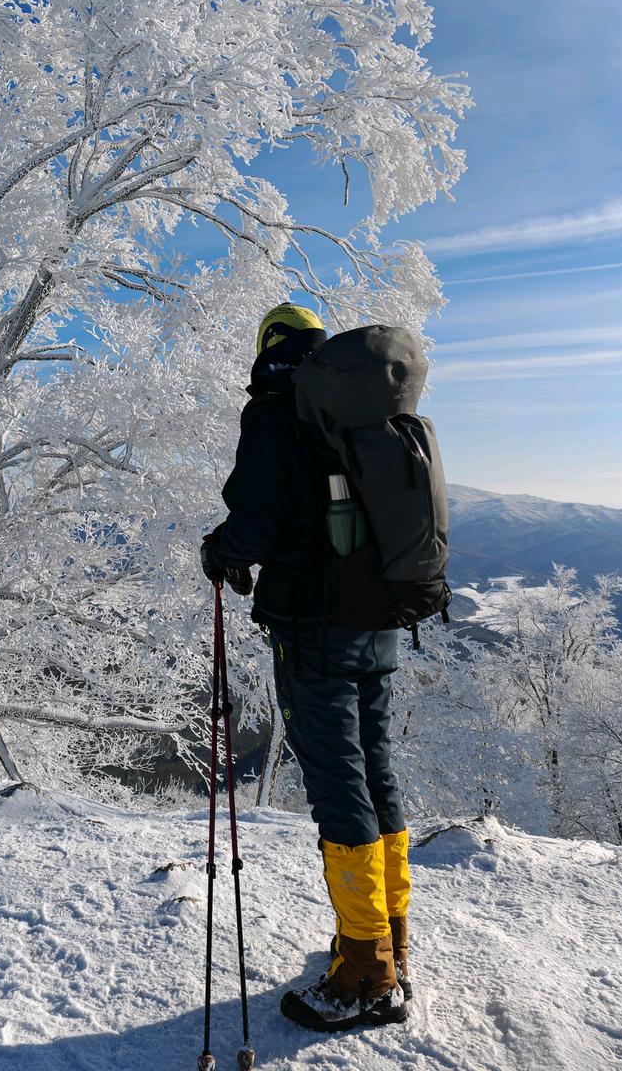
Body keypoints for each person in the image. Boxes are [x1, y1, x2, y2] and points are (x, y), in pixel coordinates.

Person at [201, 302, 411, 1032]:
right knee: (376, 774)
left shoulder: (275, 413)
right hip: (380, 621)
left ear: (267, 349)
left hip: (315, 632)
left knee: (339, 787)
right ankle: (388, 942)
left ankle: (365, 971)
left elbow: (255, 523)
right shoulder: (359, 411)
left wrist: (219, 551)